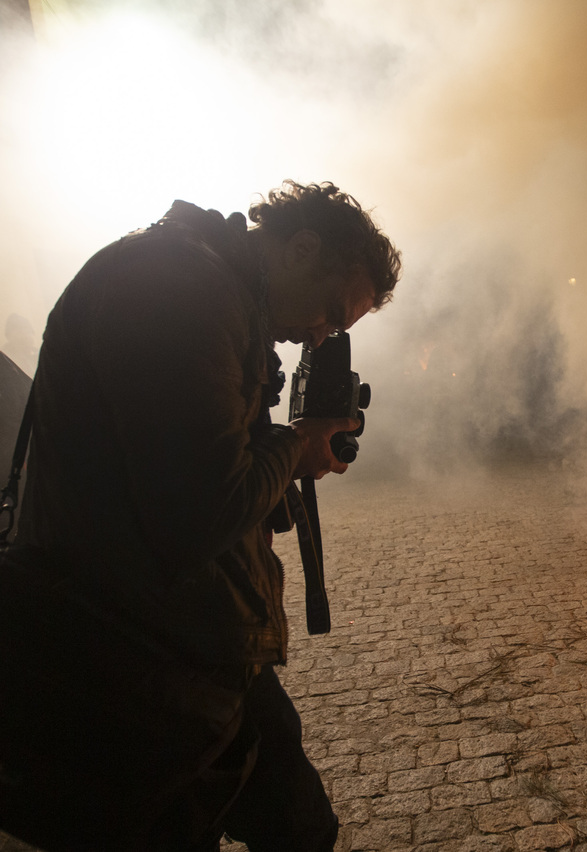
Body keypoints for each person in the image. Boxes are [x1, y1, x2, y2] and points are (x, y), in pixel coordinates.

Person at [0, 181, 401, 850]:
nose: (318, 335)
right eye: (330, 313)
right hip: (128, 663)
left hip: (193, 650)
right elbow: (198, 512)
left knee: (299, 827)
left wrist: (283, 465)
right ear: (301, 247)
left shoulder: (207, 292)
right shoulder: (176, 289)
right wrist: (294, 444)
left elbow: (187, 472)